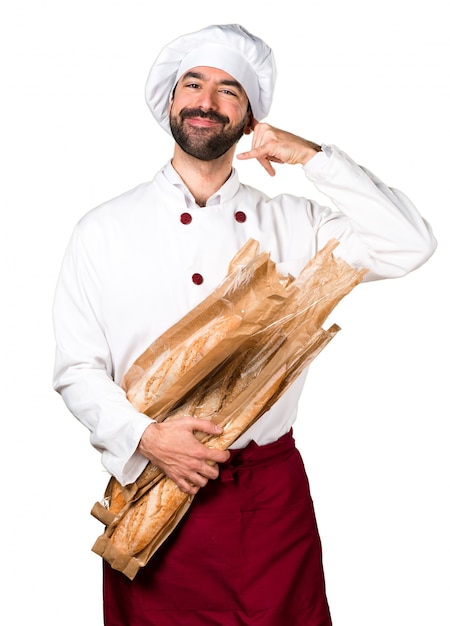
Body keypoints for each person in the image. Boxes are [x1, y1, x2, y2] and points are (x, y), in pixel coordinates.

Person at [52, 23, 437, 626]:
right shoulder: (103, 230)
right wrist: (146, 437)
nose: (207, 101)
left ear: (252, 116)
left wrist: (312, 157)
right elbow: (77, 371)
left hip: (269, 495)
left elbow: (409, 244)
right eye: (194, 84)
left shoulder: (298, 224)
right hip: (156, 490)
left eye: (230, 90)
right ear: (171, 103)